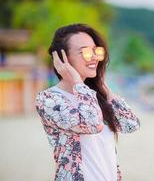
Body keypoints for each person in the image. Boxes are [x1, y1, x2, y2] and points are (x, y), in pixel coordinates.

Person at [35, 23, 140, 181]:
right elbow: (92, 124)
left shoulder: (95, 96)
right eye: (84, 51)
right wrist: (77, 82)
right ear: (62, 58)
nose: (93, 57)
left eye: (95, 51)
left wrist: (103, 87)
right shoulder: (49, 99)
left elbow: (130, 124)